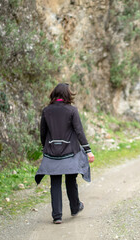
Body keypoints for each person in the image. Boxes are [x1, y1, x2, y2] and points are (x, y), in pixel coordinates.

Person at [35, 83, 95, 224]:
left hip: (52, 152)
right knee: (70, 180)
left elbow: (43, 132)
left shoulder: (46, 111)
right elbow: (79, 131)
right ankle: (75, 207)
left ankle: (57, 216)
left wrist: (46, 147)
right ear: (67, 95)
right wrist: (88, 151)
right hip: (70, 152)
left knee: (55, 182)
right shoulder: (71, 110)